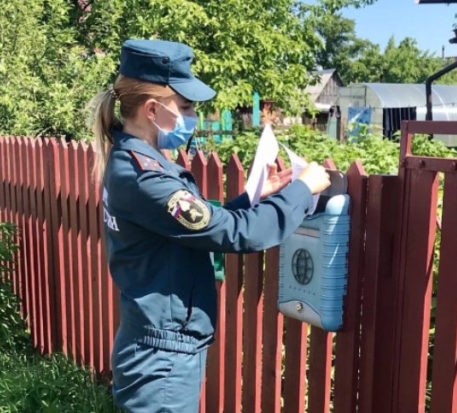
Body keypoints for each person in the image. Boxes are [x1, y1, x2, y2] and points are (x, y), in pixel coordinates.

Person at [86, 38, 332, 413]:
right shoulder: (145, 176)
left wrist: (255, 196)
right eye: (185, 107)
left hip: (160, 346)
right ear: (152, 110)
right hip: (162, 359)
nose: (192, 116)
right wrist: (302, 189)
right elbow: (240, 233)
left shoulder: (135, 162)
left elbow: (191, 227)